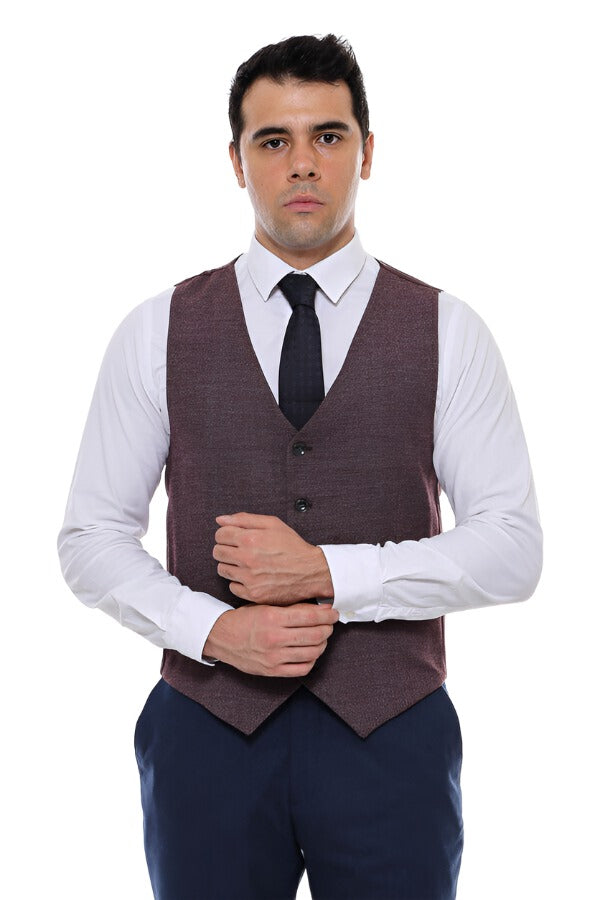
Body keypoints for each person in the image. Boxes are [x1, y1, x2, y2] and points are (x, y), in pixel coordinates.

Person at [58, 33, 543, 900]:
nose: (303, 163)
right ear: (236, 161)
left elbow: (512, 548)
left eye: (328, 135)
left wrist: (327, 573)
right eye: (273, 140)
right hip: (207, 734)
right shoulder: (157, 329)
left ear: (368, 151)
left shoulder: (448, 330)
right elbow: (90, 538)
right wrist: (213, 631)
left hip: (393, 736)